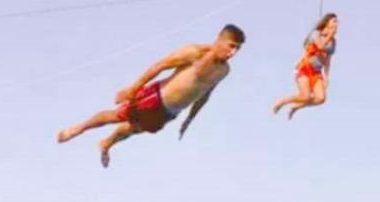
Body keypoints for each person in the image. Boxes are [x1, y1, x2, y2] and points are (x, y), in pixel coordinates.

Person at [57, 24, 246, 168]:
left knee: (135, 129)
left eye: (237, 49)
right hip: (156, 97)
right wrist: (133, 89)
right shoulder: (195, 52)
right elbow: (160, 66)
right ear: (219, 40)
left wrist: (189, 119)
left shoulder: (223, 71)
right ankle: (79, 128)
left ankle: (106, 143)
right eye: (231, 46)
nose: (233, 53)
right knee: (117, 116)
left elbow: (205, 95)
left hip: (171, 112)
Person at [273, 13, 338, 119]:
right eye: (334, 21)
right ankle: (283, 101)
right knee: (305, 96)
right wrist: (329, 35)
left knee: (321, 98)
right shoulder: (316, 33)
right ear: (327, 22)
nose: (336, 24)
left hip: (316, 72)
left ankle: (296, 107)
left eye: (337, 22)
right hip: (305, 68)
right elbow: (320, 46)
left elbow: (327, 61)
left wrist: (326, 77)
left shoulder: (333, 42)